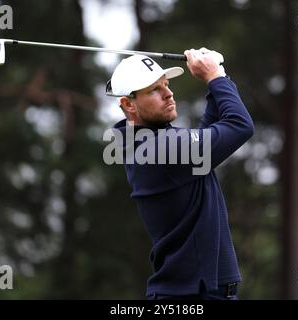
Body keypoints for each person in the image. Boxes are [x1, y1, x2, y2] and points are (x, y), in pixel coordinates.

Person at [105, 48, 254, 300]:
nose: (168, 93)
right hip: (191, 296)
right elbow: (239, 126)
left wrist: (221, 76)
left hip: (196, 292)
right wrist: (214, 76)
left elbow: (209, 132)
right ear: (128, 104)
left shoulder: (148, 143)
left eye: (166, 84)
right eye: (155, 89)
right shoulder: (160, 149)